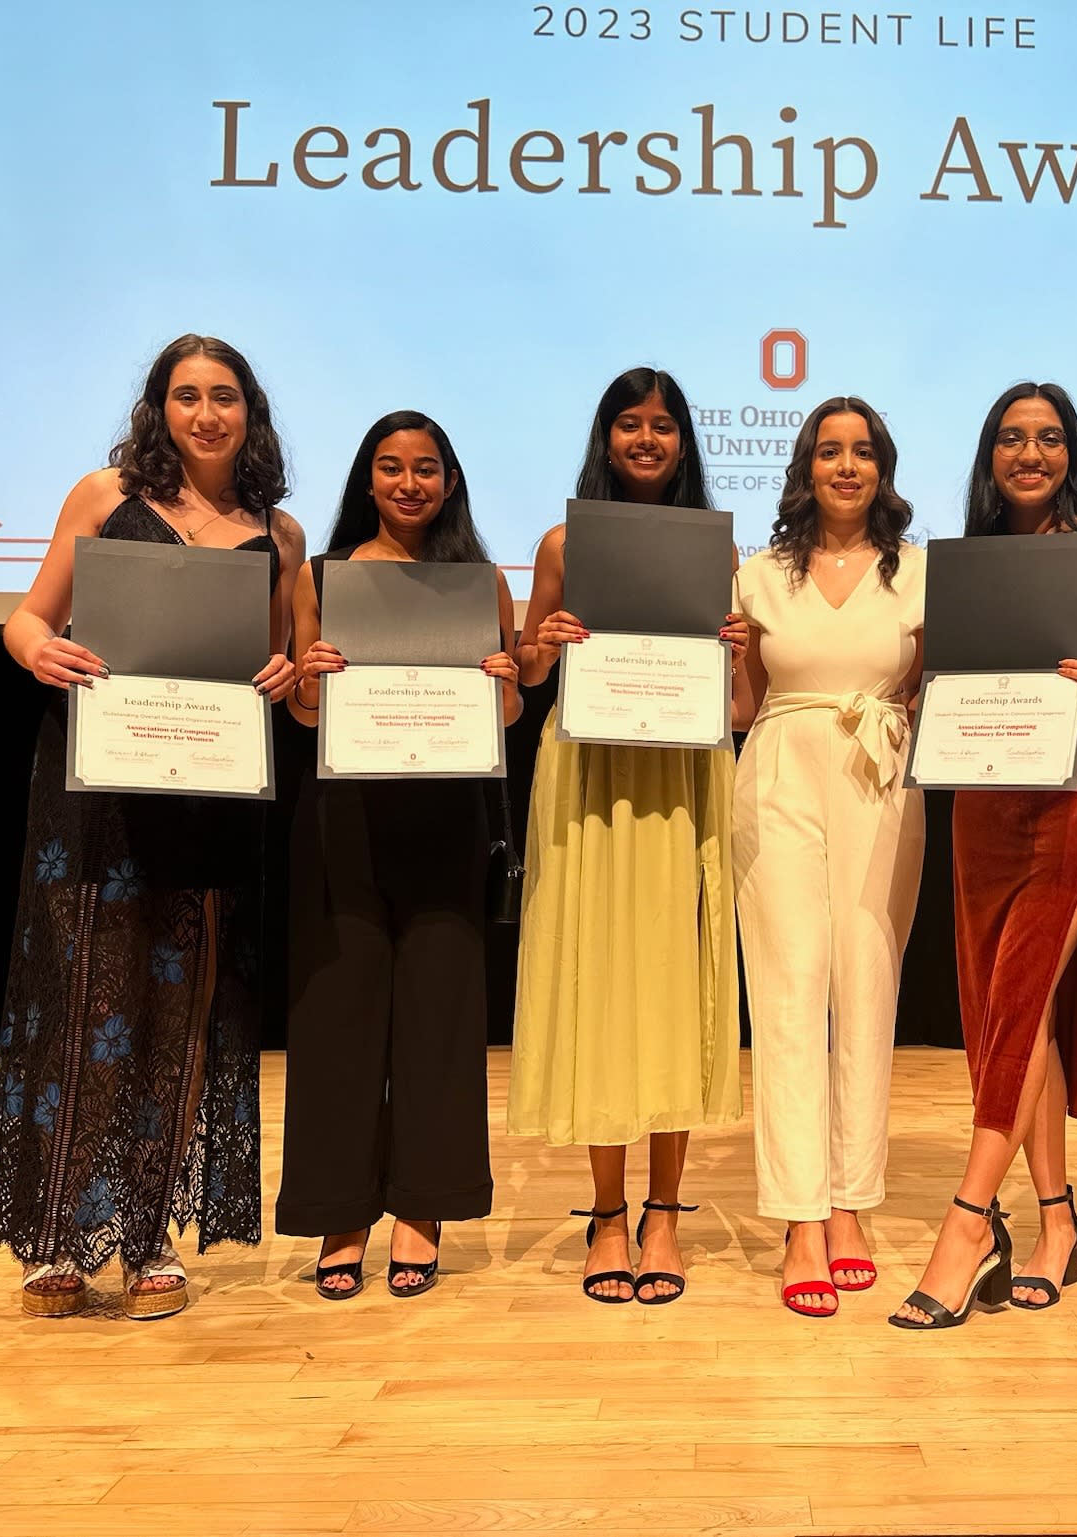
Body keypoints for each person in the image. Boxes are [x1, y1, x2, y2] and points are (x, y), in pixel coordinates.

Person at [0, 334, 302, 1319]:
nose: (207, 414)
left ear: (251, 413)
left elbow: (276, 662)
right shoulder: (103, 496)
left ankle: (150, 1234)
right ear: (159, 407)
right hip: (101, 785)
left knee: (180, 1014)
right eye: (188, 395)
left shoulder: (274, 532)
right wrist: (42, 653)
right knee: (85, 1004)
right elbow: (27, 618)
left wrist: (285, 678)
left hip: (209, 790)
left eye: (226, 397)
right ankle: (56, 1238)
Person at [890, 382, 1077, 1331]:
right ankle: (1055, 1220)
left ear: (1070, 451)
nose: (1028, 453)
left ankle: (967, 1223)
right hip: (983, 796)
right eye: (1010, 438)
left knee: (1030, 991)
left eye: (1047, 438)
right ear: (988, 454)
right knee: (1007, 1006)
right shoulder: (960, 563)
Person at [509, 367, 746, 1304]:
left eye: (662, 427)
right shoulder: (564, 542)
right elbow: (526, 674)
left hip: (682, 770)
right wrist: (549, 637)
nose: (645, 441)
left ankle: (664, 1213)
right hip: (590, 773)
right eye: (628, 425)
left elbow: (740, 701)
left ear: (684, 442)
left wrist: (737, 647)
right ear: (604, 437)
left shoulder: (718, 554)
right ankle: (607, 1213)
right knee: (602, 980)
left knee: (674, 980)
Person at [275, 411, 523, 1300]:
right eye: (391, 467)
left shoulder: (481, 581)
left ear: (449, 480)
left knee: (441, 1013)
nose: (409, 483)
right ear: (366, 480)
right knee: (338, 1014)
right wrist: (308, 682)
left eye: (426, 468)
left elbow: (505, 720)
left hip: (446, 813)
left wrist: (506, 685)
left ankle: (424, 1206)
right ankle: (342, 1210)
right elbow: (302, 713)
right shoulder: (322, 577)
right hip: (344, 812)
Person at [732, 397, 926, 1317]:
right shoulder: (758, 574)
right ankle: (798, 1217)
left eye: (860, 452)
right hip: (777, 771)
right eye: (826, 451)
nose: (844, 467)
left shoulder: (922, 575)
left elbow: (932, 693)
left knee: (868, 982)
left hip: (882, 778)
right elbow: (742, 704)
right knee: (787, 987)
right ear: (804, 467)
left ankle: (850, 1202)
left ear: (882, 468)